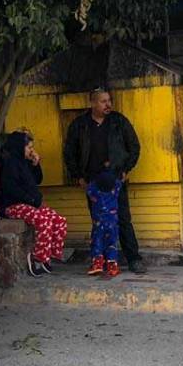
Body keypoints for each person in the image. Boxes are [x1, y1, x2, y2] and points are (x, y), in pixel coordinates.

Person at [62, 89, 146, 273]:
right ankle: (103, 261)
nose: (108, 104)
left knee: (123, 219)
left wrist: (125, 169)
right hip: (93, 183)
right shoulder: (80, 125)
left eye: (109, 101)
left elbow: (134, 147)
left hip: (116, 180)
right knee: (99, 223)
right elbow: (69, 153)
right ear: (92, 103)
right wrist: (78, 176)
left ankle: (133, 259)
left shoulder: (119, 122)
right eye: (103, 101)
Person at [0, 130, 68, 276]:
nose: (32, 151)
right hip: (14, 205)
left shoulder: (25, 163)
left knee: (59, 221)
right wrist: (30, 200)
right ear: (19, 147)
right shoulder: (10, 164)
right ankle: (37, 257)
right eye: (29, 148)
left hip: (32, 204)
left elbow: (37, 180)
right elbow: (11, 188)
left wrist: (36, 164)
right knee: (44, 221)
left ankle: (49, 255)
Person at [86, 170, 122, 279]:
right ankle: (112, 264)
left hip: (98, 222)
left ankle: (97, 262)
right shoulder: (115, 189)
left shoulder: (94, 190)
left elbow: (88, 189)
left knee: (97, 241)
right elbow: (120, 183)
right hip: (112, 222)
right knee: (112, 242)